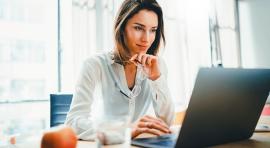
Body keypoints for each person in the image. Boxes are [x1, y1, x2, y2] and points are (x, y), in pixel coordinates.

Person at [65, 0, 175, 140]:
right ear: (122, 27)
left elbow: (166, 122)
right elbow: (72, 123)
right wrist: (125, 131)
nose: (146, 39)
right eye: (138, 28)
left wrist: (156, 79)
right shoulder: (94, 65)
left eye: (153, 30)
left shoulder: (157, 65)